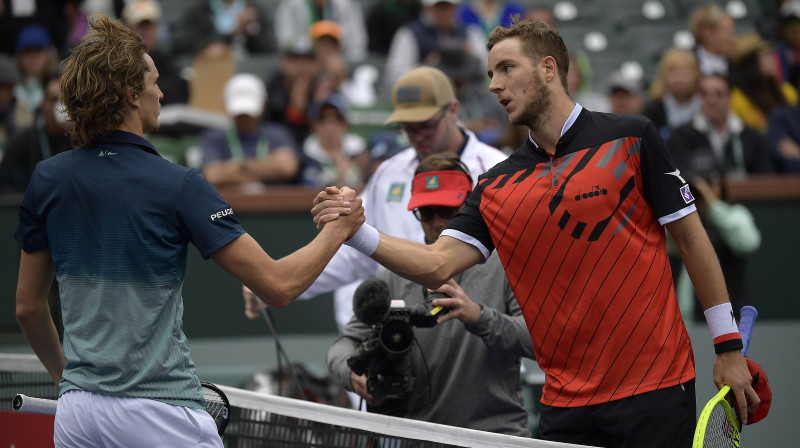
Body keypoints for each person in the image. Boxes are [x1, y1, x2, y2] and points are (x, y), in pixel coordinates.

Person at [313, 19, 758, 447]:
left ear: (548, 68)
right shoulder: (494, 185)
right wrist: (358, 230)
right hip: (565, 404)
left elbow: (692, 238)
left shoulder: (633, 137)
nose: (493, 85)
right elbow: (436, 264)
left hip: (656, 385)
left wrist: (728, 345)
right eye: (489, 73)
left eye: (507, 68)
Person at [14, 15, 364, 447]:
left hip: (76, 416)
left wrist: (70, 383)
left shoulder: (46, 179)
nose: (160, 93)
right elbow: (279, 286)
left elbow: (28, 308)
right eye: (154, 81)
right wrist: (340, 228)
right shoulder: (179, 185)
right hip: (158, 413)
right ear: (129, 94)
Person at [244, 66, 507, 331]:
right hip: (407, 336)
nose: (417, 136)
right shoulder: (388, 173)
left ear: (452, 110)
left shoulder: (497, 168)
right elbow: (353, 256)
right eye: (408, 128)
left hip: (479, 331)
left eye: (425, 125)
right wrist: (276, 278)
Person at [326, 153, 534, 434]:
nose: (436, 222)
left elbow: (539, 343)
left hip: (494, 437)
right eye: (426, 212)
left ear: (469, 206)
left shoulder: (508, 264)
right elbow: (344, 345)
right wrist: (353, 376)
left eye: (447, 210)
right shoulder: (395, 272)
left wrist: (479, 317)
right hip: (419, 437)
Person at [200, 73, 301, 188]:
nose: (244, 118)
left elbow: (287, 168)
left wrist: (240, 166)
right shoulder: (213, 137)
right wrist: (269, 168)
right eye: (240, 114)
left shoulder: (278, 134)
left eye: (249, 114)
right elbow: (212, 175)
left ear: (264, 105)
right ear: (225, 105)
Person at [384, 0, 488, 91]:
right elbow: (395, 76)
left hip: (467, 97)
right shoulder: (409, 33)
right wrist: (426, 67)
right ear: (426, 8)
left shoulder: (470, 33)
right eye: (438, 7)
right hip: (426, 98)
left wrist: (468, 58)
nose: (443, 12)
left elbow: (486, 68)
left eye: (447, 7)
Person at [0, 73, 71, 194]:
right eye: (55, 99)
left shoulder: (82, 140)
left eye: (66, 99)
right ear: (42, 103)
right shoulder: (21, 142)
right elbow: (6, 187)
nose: (61, 106)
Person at [122, 0, 190, 106]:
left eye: (149, 26)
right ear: (128, 29)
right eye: (140, 26)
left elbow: (180, 93)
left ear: (157, 28)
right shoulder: (117, 64)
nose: (146, 32)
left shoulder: (167, 64)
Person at [729, 32, 798, 133]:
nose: (772, 60)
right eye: (765, 56)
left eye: (771, 54)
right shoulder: (736, 100)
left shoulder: (786, 90)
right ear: (750, 64)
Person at [300, 93, 369, 189]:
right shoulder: (308, 156)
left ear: (345, 124)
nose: (330, 126)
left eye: (337, 119)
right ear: (314, 125)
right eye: (323, 118)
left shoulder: (358, 151)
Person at [274, 0, 368, 63]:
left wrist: (341, 62)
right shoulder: (291, 4)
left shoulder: (346, 4)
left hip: (340, 61)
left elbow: (357, 45)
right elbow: (286, 43)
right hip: (305, 61)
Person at [173, 0, 275, 58]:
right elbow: (182, 44)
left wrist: (250, 31)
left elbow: (269, 48)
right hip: (210, 71)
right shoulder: (196, 11)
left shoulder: (256, 10)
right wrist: (232, 32)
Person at [643, 48, 702, 140]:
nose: (679, 79)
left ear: (695, 75)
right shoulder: (652, 110)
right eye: (673, 73)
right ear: (663, 76)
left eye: (684, 73)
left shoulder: (705, 106)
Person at [689, 3, 737, 75]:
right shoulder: (688, 63)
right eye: (728, 33)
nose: (733, 40)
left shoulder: (738, 63)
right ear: (706, 32)